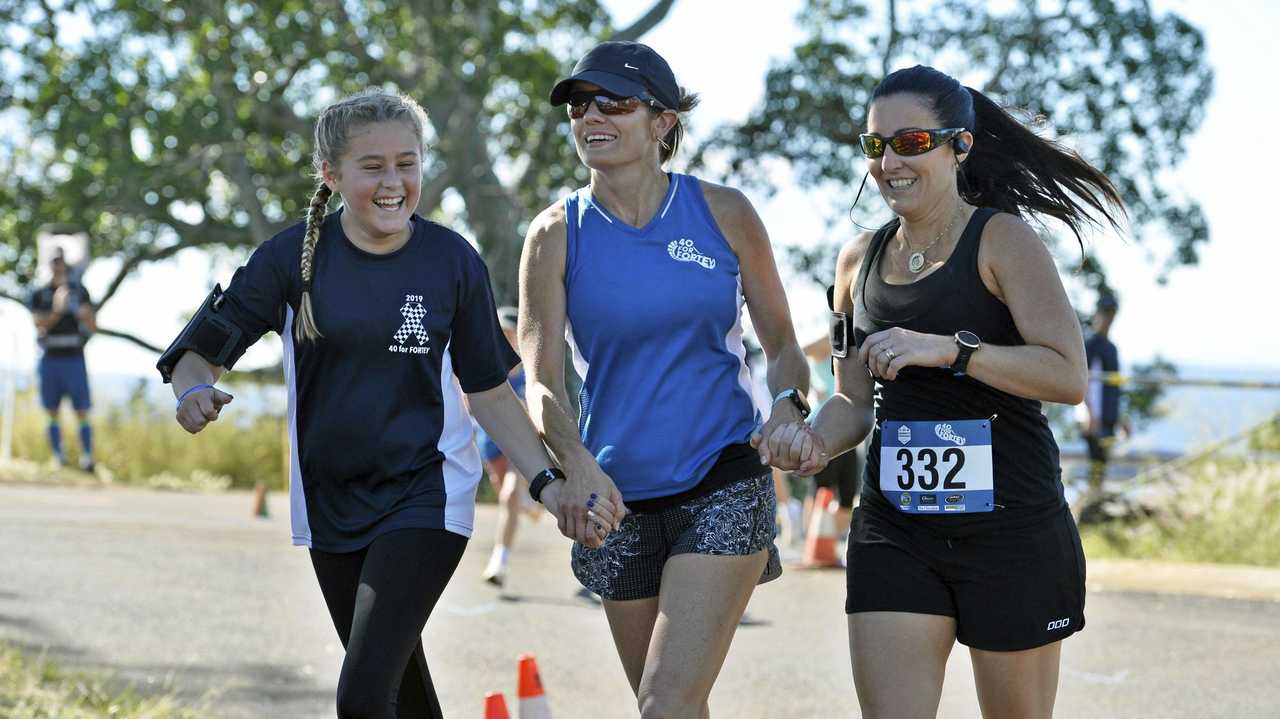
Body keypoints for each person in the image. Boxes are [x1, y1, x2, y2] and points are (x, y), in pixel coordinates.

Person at [155, 90, 575, 719]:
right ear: (332, 174)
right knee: (398, 689)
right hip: (330, 503)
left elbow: (488, 391)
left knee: (361, 696)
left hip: (427, 494)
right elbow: (198, 352)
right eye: (372, 166)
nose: (393, 182)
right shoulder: (289, 259)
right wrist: (192, 392)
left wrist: (547, 483)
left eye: (407, 164)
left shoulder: (450, 260)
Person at [763, 65, 1125, 718]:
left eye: (911, 143)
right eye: (876, 145)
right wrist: (812, 437)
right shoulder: (856, 262)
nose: (889, 162)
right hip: (897, 533)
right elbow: (850, 399)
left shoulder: (1003, 241)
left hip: (1011, 531)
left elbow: (1067, 375)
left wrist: (952, 352)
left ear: (960, 146)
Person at [519, 41, 810, 718]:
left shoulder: (725, 213)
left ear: (663, 122)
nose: (592, 115)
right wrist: (578, 464)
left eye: (614, 102)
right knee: (677, 708)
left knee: (664, 703)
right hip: (613, 498)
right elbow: (541, 381)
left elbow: (785, 346)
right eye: (579, 105)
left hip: (724, 479)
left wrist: (789, 405)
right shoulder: (554, 234)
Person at [476, 305, 538, 587]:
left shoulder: (531, 374)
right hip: (491, 443)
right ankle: (529, 506)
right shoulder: (485, 367)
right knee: (508, 497)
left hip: (521, 444)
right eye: (501, 334)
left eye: (510, 334)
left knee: (510, 493)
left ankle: (499, 561)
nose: (505, 339)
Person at [28, 249, 96, 472]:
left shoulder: (81, 291)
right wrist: (57, 310)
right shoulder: (39, 293)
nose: (58, 267)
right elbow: (39, 323)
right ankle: (59, 456)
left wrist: (83, 314)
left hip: (75, 359)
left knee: (82, 411)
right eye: (54, 263)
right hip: (50, 359)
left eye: (62, 263)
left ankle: (88, 457)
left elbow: (93, 325)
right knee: (51, 410)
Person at [1077, 292, 1128, 518]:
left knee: (1101, 466)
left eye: (1113, 313)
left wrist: (1121, 417)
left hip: (1108, 418)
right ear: (1097, 313)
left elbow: (1113, 387)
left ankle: (1094, 512)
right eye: (1106, 312)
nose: (1109, 317)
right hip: (1092, 418)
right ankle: (1087, 512)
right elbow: (1081, 381)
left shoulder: (1112, 347)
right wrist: (1089, 414)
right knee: (1095, 465)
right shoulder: (1089, 344)